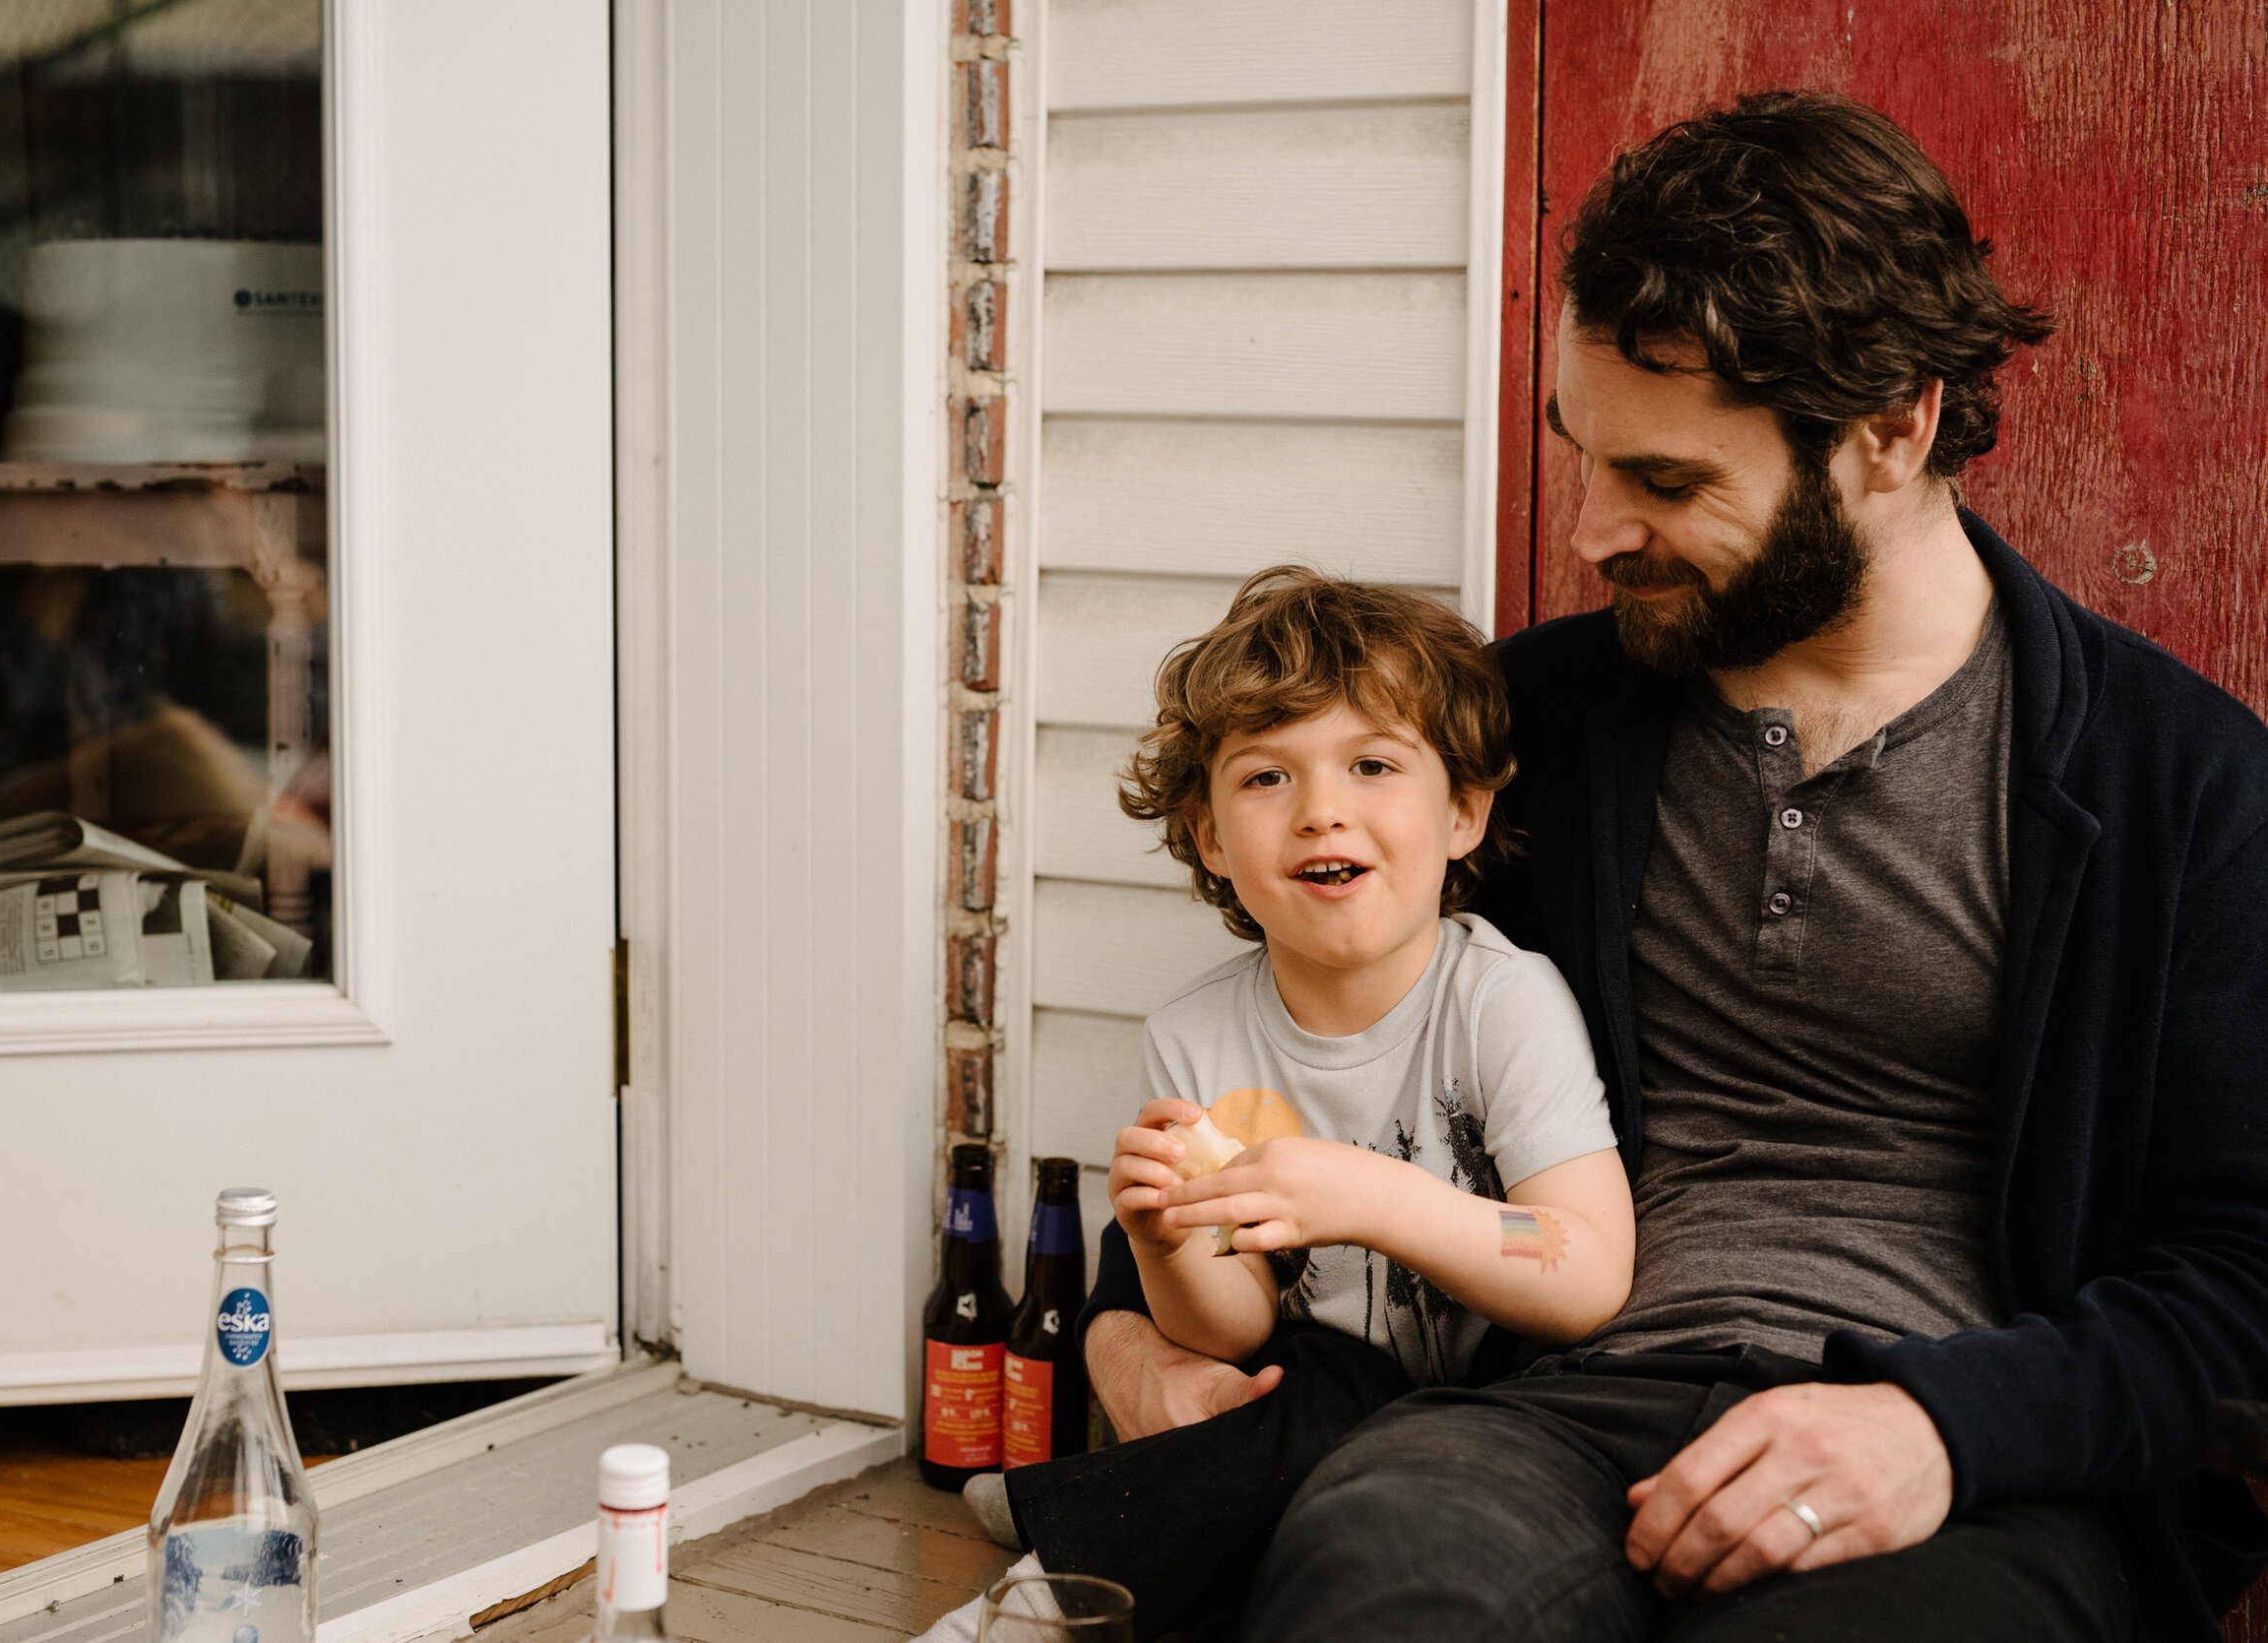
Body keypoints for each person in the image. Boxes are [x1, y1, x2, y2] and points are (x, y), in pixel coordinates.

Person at [1076, 91, 2268, 1642]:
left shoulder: (2178, 784)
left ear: (1893, 429)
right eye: (1586, 458)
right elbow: (1312, 1028)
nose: (1592, 531)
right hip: (1561, 1407)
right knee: (1383, 1586)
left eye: (1669, 482)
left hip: (1971, 1472)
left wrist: (1943, 1428)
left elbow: (2244, 1284)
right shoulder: (1538, 726)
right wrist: (1120, 1321)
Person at [920, 571, 1638, 1643]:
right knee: (1285, 1399)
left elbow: (1584, 1270)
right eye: (1265, 777)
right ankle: (1066, 1573)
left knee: (1293, 1451)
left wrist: (1369, 1197)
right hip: (1308, 1394)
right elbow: (1235, 1324)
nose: (1321, 808)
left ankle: (1063, 1541)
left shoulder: (1502, 1002)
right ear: (1210, 838)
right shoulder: (1195, 1035)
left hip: (1508, 1410)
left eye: (1372, 764)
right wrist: (1167, 1245)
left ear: (1463, 813)